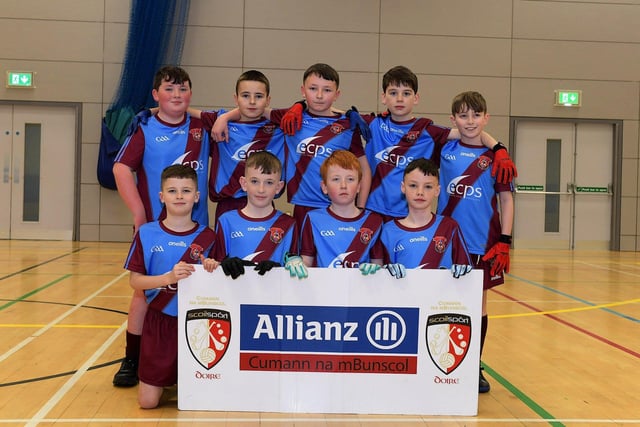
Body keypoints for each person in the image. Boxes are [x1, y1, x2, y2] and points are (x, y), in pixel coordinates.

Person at [111, 66, 212, 387]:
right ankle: (132, 358)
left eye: (183, 90)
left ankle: (193, 355)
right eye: (169, 90)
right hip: (157, 227)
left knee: (198, 293)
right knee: (145, 292)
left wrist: (193, 110)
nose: (177, 95)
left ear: (191, 94)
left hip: (197, 230)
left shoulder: (202, 128)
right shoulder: (145, 127)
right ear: (156, 95)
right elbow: (121, 168)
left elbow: (234, 117)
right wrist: (139, 213)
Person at [211, 63, 373, 231]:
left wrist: (360, 208)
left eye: (327, 90)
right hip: (303, 206)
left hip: (340, 206)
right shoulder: (291, 117)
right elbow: (254, 110)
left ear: (337, 94)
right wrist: (225, 118)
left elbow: (365, 170)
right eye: (313, 89)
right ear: (303, 91)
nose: (319, 95)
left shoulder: (347, 125)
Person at [347, 65, 516, 222]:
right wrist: (348, 113)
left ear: (416, 98)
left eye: (406, 93)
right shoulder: (372, 123)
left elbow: (470, 131)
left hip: (410, 216)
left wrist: (498, 148)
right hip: (373, 212)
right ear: (383, 98)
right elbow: (330, 113)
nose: (399, 99)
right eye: (393, 93)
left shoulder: (428, 130)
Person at [122, 164, 218, 409]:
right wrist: (167, 278)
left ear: (196, 197)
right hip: (159, 321)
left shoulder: (209, 237)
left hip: (197, 324)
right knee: (147, 403)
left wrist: (210, 267)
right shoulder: (146, 233)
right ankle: (164, 377)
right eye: (172, 191)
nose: (179, 196)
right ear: (161, 196)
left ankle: (178, 378)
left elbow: (220, 285)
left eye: (186, 191)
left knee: (199, 400)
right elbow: (135, 281)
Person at [437, 91, 514, 393]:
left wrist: (505, 239)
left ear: (486, 118)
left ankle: (474, 365)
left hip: (483, 244)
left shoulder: (497, 158)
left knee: (477, 307)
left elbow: (506, 200)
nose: (470, 121)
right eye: (463, 115)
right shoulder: (444, 148)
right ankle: (442, 361)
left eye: (476, 115)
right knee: (442, 303)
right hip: (446, 242)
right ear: (453, 119)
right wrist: (496, 140)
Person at [194, 70, 285, 224]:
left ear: (268, 100)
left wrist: (227, 115)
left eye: (258, 96)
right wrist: (151, 111)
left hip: (264, 202)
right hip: (228, 204)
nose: (252, 102)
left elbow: (308, 111)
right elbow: (183, 110)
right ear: (235, 98)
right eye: (245, 95)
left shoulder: (279, 126)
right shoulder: (220, 122)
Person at [212, 151, 308, 280]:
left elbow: (292, 267)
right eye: (255, 181)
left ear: (279, 187)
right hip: (235, 296)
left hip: (274, 296)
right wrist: (223, 264)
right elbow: (214, 267)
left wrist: (287, 265)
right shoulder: (226, 221)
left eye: (269, 183)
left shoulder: (289, 224)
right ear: (244, 183)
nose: (261, 189)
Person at [377, 158, 473, 279]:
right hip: (402, 297)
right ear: (403, 187)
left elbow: (467, 274)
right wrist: (383, 273)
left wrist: (463, 272)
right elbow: (379, 280)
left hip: (441, 298)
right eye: (413, 185)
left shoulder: (449, 227)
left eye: (428, 186)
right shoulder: (387, 231)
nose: (420, 192)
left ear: (437, 191)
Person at [299, 150, 384, 270]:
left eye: (350, 179)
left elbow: (378, 264)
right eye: (336, 179)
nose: (343, 185)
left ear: (359, 186)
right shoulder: (313, 219)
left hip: (361, 287)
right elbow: (306, 262)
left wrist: (374, 269)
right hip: (323, 288)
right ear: (324, 187)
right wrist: (295, 263)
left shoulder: (374, 221)